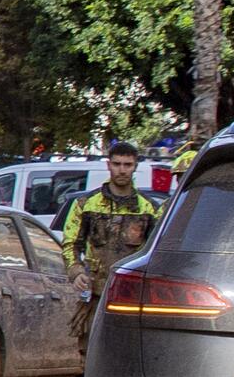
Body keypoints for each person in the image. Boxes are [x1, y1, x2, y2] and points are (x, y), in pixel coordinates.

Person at [63, 139, 161, 356]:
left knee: (133, 352)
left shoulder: (150, 209)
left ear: (135, 166)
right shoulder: (86, 204)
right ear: (108, 165)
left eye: (127, 165)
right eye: (117, 164)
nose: (122, 170)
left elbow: (157, 252)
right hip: (95, 293)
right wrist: (76, 271)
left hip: (133, 295)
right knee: (92, 353)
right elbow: (70, 244)